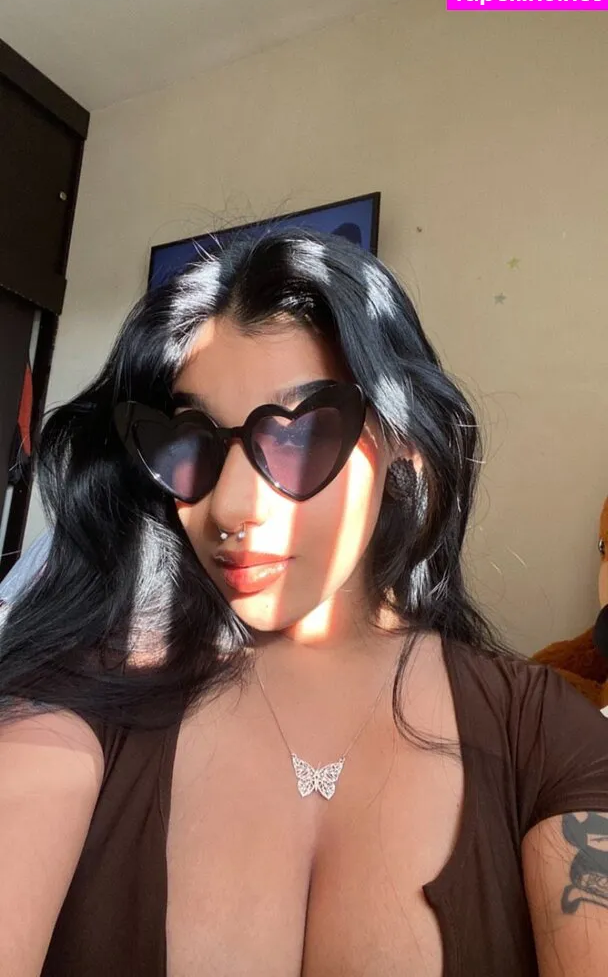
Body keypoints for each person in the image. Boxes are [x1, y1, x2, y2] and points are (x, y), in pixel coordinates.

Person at [0, 228, 607, 977]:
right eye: (190, 441)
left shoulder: (547, 735)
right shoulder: (79, 709)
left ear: (404, 442)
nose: (230, 507)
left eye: (297, 435)